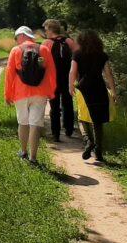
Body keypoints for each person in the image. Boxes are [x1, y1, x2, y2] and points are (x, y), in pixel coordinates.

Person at [4, 25, 56, 166]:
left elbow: (9, 75)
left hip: (20, 93)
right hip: (40, 93)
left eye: (16, 38)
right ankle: (33, 158)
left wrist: (8, 94)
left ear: (21, 36)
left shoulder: (15, 51)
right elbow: (52, 72)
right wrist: (51, 91)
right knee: (35, 124)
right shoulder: (44, 49)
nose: (16, 41)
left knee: (23, 122)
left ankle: (23, 151)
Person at [69, 29, 117, 163]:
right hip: (99, 89)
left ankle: (88, 141)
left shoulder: (77, 54)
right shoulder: (102, 55)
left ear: (81, 41)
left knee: (82, 118)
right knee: (98, 121)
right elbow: (108, 74)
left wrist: (70, 86)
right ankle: (99, 151)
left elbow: (73, 72)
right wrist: (113, 91)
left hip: (83, 89)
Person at [42, 19, 77, 141]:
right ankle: (69, 129)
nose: (45, 32)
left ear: (51, 30)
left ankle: (55, 133)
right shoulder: (69, 41)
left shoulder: (46, 44)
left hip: (52, 79)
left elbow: (42, 62)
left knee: (54, 106)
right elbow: (78, 56)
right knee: (68, 104)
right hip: (67, 78)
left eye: (46, 30)